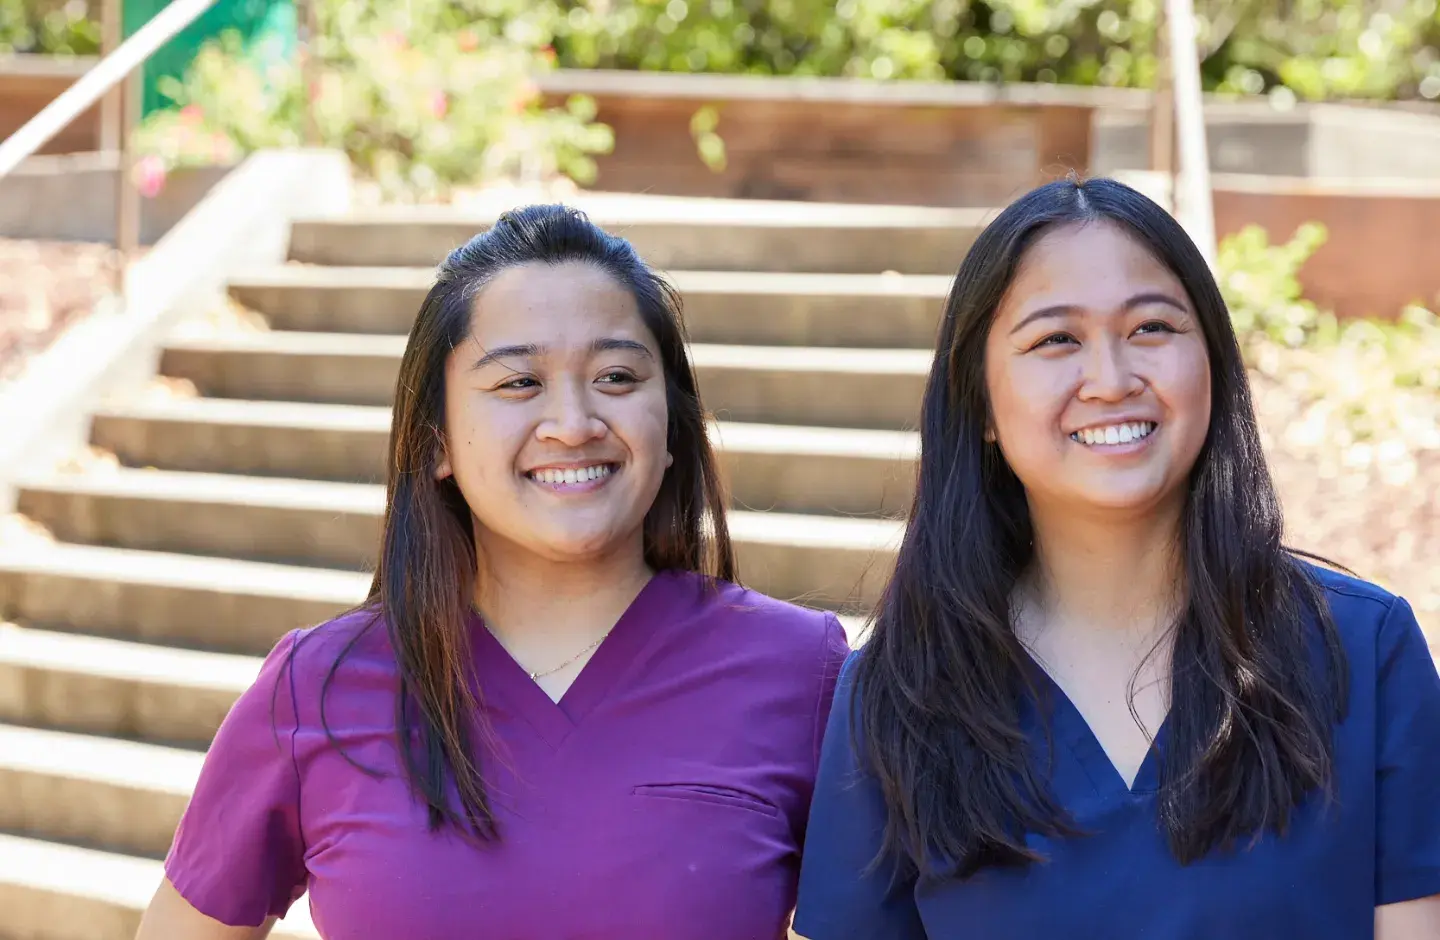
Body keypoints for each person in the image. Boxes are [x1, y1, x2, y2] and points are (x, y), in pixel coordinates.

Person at [137, 204, 850, 940]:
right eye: (518, 383)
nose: (573, 422)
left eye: (615, 376)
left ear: (670, 427)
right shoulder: (314, 689)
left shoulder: (806, 674)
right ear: (438, 441)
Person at [792, 177, 1440, 939]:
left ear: (1212, 363)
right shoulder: (896, 695)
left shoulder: (1364, 651)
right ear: (982, 405)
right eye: (1055, 339)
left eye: (1152, 329)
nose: (1111, 380)